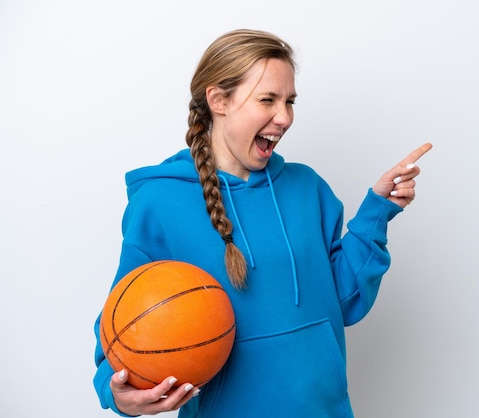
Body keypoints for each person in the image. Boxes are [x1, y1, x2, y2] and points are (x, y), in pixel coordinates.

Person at [93, 28, 432, 417]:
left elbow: (344, 301)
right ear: (219, 100)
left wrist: (376, 211)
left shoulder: (307, 188)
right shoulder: (160, 204)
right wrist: (114, 390)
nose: (284, 117)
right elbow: (121, 324)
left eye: (290, 101)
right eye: (267, 100)